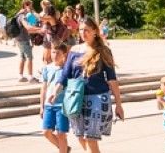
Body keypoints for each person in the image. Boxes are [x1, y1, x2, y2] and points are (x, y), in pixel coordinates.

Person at [53, 18, 124, 153]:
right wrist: (55, 92)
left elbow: (112, 79)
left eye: (86, 30)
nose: (83, 33)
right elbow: (65, 75)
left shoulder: (103, 51)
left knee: (91, 138)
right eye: (80, 30)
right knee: (80, 136)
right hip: (76, 99)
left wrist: (119, 105)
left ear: (95, 32)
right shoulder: (74, 50)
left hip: (97, 99)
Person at [39, 40, 71, 153]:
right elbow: (43, 88)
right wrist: (41, 106)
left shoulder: (67, 70)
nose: (55, 55)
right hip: (48, 105)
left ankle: (63, 150)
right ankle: (65, 149)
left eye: (58, 53)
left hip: (62, 106)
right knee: (46, 132)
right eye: (53, 52)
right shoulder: (47, 68)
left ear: (64, 54)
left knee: (61, 134)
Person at [16, 0, 39, 82]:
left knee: (22, 57)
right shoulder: (23, 16)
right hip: (23, 39)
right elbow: (30, 26)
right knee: (29, 57)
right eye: (31, 5)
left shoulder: (19, 14)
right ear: (26, 5)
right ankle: (30, 77)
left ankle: (20, 76)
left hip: (19, 39)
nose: (32, 7)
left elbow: (33, 23)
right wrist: (40, 30)